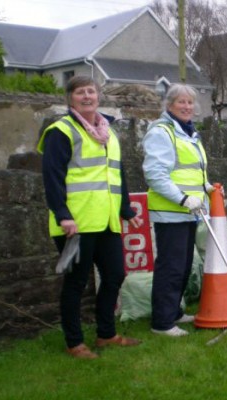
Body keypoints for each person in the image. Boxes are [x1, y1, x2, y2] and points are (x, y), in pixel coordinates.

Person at [38, 76, 142, 359]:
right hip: (76, 224)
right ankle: (74, 342)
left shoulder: (109, 132)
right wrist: (62, 215)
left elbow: (116, 175)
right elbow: (52, 177)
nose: (87, 96)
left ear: (98, 96)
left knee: (115, 275)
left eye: (91, 91)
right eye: (80, 92)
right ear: (70, 98)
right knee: (76, 283)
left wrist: (126, 210)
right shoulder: (61, 131)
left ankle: (106, 335)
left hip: (106, 221)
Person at [143, 83, 215, 337]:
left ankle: (173, 312)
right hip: (171, 212)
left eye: (190, 102)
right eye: (180, 102)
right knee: (171, 266)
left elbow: (191, 172)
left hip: (189, 212)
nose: (187, 107)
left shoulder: (189, 133)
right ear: (169, 105)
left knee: (184, 265)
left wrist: (207, 188)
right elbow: (155, 174)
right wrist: (183, 199)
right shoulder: (162, 132)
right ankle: (162, 323)